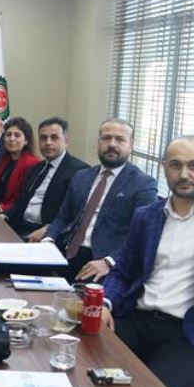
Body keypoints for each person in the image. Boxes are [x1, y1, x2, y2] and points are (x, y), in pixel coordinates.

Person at [101, 136, 194, 387]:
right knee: (80, 362)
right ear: (164, 167)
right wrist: (105, 303)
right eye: (176, 165)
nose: (184, 174)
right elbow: (123, 271)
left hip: (189, 334)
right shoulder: (146, 216)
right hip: (135, 319)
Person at [42, 118, 158, 282]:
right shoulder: (82, 176)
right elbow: (63, 216)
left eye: (120, 139)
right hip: (65, 252)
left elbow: (142, 234)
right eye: (106, 138)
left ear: (131, 144)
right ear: (98, 142)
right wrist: (48, 241)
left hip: (102, 263)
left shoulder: (143, 183)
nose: (111, 144)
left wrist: (109, 261)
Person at [4, 117, 89, 240]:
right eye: (43, 138)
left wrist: (47, 230)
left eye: (54, 138)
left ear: (66, 141)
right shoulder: (36, 168)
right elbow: (20, 202)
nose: (48, 143)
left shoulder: (79, 171)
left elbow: (74, 215)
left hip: (45, 233)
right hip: (18, 226)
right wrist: (4, 216)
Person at [0, 117, 40, 214]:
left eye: (17, 135)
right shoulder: (5, 159)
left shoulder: (32, 163)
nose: (12, 139)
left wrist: (1, 208)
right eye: (8, 135)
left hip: (10, 214)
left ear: (26, 141)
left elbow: (22, 199)